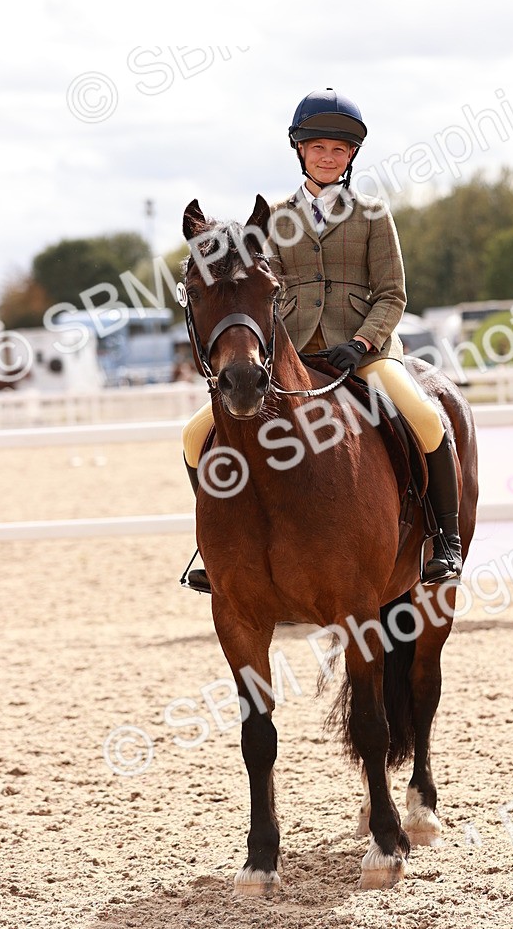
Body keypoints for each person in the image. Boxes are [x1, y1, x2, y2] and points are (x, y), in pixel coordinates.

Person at [181, 88, 462, 592]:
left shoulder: (374, 213)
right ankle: (214, 544)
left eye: (338, 150)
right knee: (194, 436)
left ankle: (445, 538)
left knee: (423, 416)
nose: (327, 158)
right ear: (301, 152)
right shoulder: (274, 217)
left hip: (364, 353)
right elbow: (263, 293)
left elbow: (393, 293)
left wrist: (361, 342)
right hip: (292, 354)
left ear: (351, 156)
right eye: (318, 149)